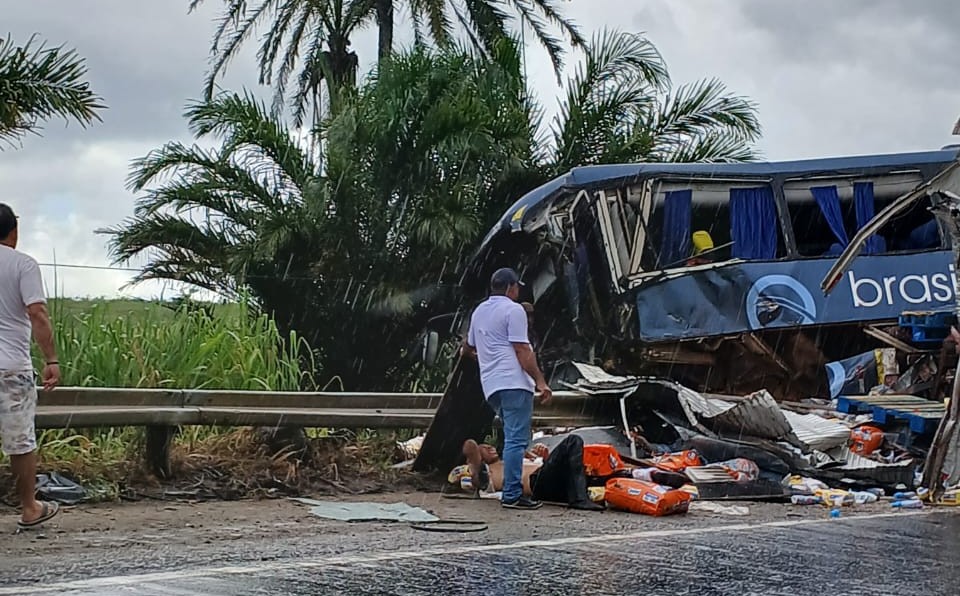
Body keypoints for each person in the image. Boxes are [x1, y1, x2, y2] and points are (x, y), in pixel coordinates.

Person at [462, 267, 552, 510]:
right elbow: (522, 350)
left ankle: (507, 488)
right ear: (512, 287)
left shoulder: (479, 311)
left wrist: (487, 359)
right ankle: (513, 495)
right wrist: (541, 382)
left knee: (511, 436)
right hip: (514, 382)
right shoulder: (514, 310)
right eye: (517, 287)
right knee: (516, 440)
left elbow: (466, 348)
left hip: (491, 386)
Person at [0, 204, 61, 528]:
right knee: (20, 440)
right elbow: (37, 313)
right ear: (14, 231)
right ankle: (29, 508)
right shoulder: (23, 264)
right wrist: (51, 359)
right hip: (11, 369)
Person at [449, 437, 603, 510]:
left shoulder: (518, 459)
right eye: (484, 448)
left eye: (490, 446)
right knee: (573, 441)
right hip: (537, 485)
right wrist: (474, 459)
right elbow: (468, 451)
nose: (490, 447)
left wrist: (545, 458)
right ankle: (579, 499)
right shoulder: (491, 470)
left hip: (555, 485)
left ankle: (580, 494)